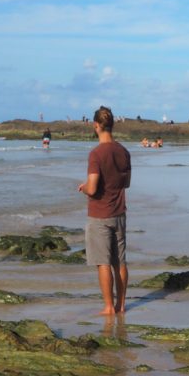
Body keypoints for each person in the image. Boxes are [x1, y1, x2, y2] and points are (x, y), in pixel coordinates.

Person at [78, 106, 131, 315]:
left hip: (100, 214)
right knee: (120, 261)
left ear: (96, 126)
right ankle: (122, 304)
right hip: (119, 212)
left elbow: (92, 187)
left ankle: (109, 306)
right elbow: (126, 183)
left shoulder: (96, 154)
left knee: (103, 262)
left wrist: (83, 188)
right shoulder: (123, 151)